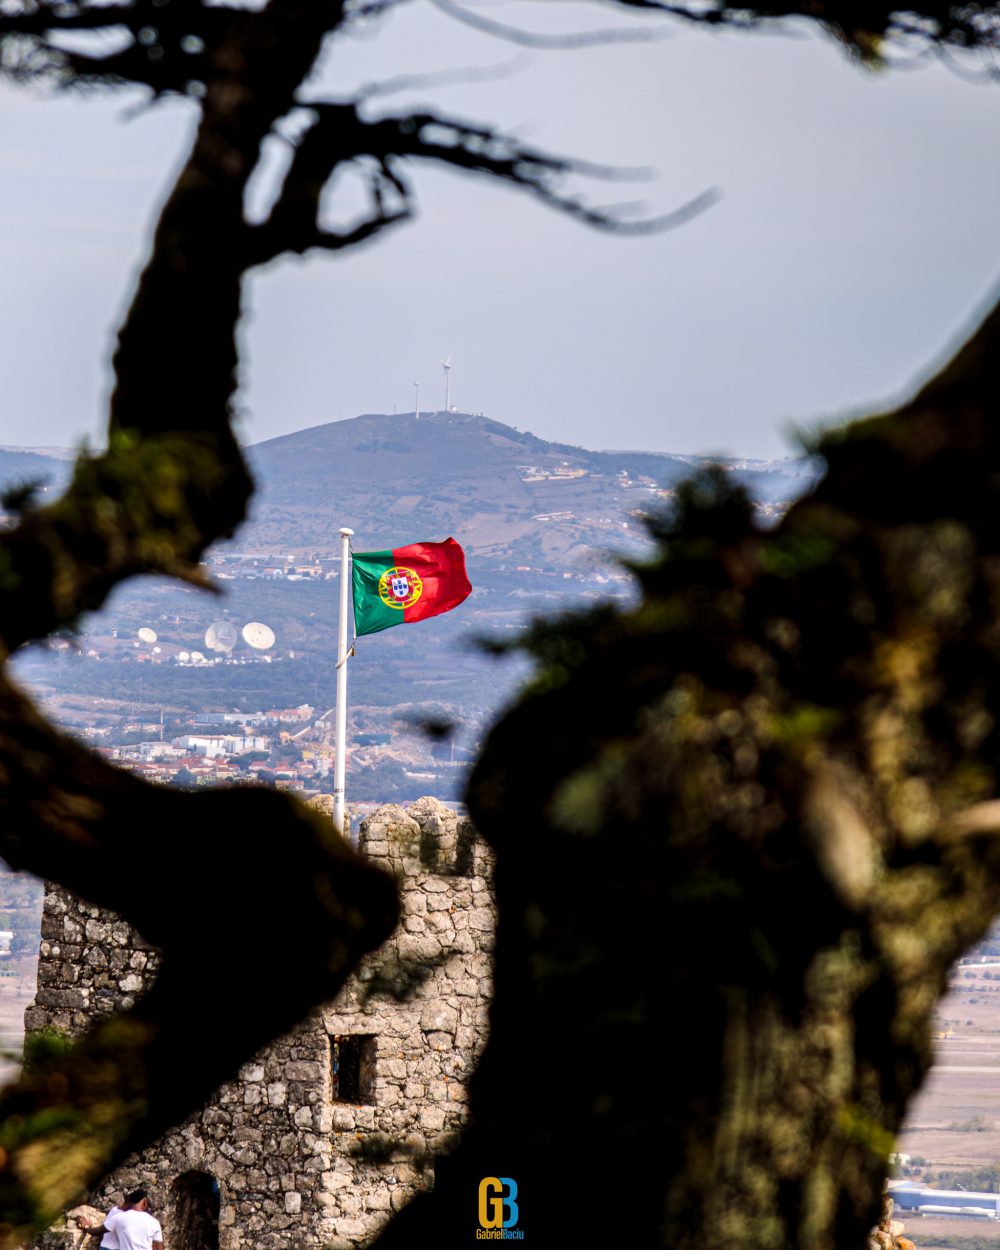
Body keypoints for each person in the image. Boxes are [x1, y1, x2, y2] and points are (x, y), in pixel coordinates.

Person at [84, 1190, 163, 1250]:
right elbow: (158, 1247)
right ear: (145, 1202)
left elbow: (97, 1231)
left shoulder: (119, 1217)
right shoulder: (154, 1222)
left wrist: (86, 1226)